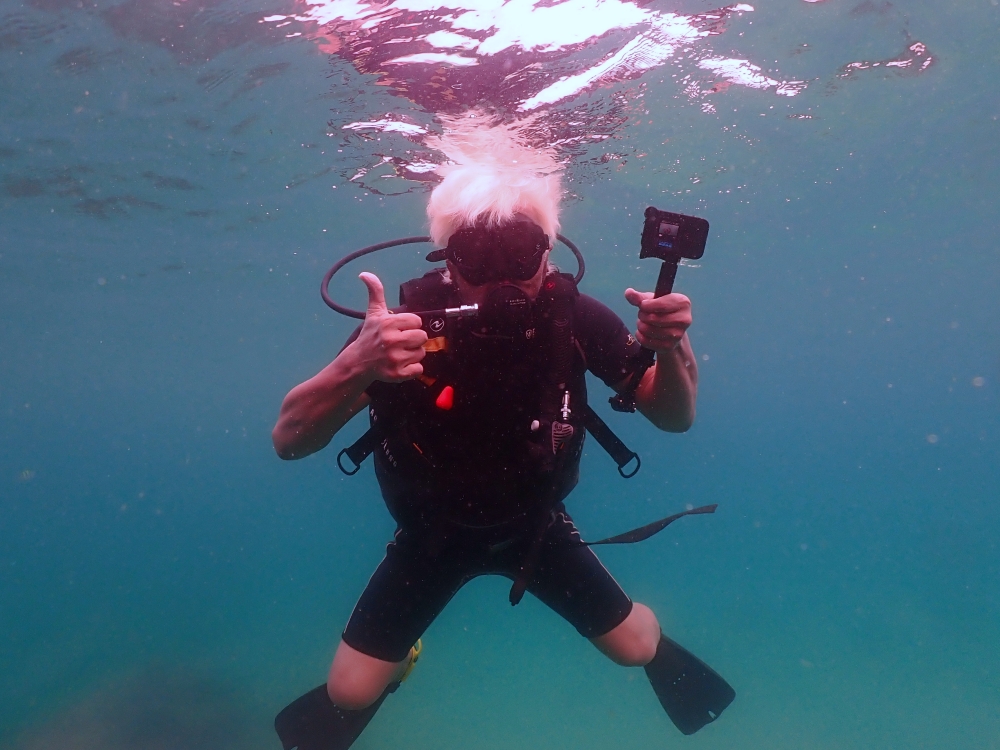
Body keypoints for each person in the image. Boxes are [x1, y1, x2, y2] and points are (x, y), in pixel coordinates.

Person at [270, 121, 731, 750]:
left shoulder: (576, 319)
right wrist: (357, 365)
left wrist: (672, 350)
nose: (501, 279)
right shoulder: (401, 330)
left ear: (547, 252)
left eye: (518, 252)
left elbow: (673, 417)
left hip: (535, 526)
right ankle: (402, 661)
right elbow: (289, 440)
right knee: (350, 691)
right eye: (478, 257)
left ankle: (647, 640)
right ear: (448, 262)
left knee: (636, 649)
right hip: (428, 537)